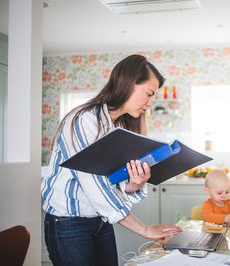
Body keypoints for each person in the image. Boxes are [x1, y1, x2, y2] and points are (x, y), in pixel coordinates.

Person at [41, 54, 182, 266]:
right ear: (129, 84)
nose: (150, 103)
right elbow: (94, 186)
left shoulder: (120, 128)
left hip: (100, 221)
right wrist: (143, 228)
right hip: (68, 224)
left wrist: (134, 184)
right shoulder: (84, 120)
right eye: (149, 94)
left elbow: (112, 182)